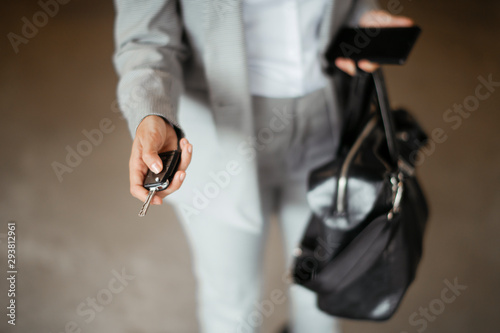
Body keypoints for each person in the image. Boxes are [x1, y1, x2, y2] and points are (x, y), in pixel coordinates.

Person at [113, 1, 413, 332]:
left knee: (324, 291)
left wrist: (361, 19)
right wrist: (151, 111)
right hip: (218, 135)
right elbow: (146, 37)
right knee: (231, 305)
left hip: (327, 122)